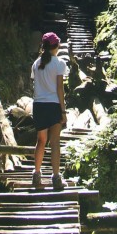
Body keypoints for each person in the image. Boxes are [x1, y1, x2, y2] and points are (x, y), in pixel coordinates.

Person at [31, 31, 68, 190]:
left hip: (38, 105)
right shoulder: (59, 64)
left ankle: (37, 175)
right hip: (53, 105)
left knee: (41, 141)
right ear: (56, 46)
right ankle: (56, 178)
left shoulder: (36, 63)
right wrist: (63, 111)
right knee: (54, 143)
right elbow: (60, 88)